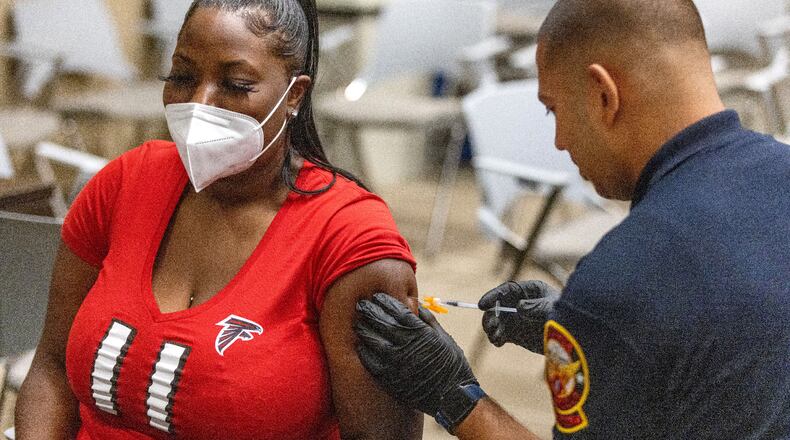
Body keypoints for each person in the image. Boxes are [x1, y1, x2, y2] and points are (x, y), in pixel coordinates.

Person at [353, 0, 790, 438]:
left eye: (554, 110)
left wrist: (453, 395)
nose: (560, 141)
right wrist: (594, 334)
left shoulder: (627, 275)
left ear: (603, 94)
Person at [15, 1, 423, 439]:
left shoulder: (349, 240)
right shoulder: (125, 185)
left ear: (294, 95)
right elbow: (52, 368)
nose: (199, 103)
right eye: (182, 77)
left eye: (236, 84)